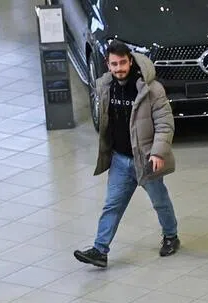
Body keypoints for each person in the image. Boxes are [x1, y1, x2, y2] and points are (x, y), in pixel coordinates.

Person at [75, 42, 179, 268]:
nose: (119, 68)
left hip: (146, 160)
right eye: (114, 64)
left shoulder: (151, 89)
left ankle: (171, 236)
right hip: (120, 160)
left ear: (130, 61)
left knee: (160, 201)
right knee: (112, 205)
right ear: (108, 64)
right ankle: (99, 250)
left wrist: (158, 152)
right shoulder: (105, 87)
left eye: (123, 63)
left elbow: (165, 124)